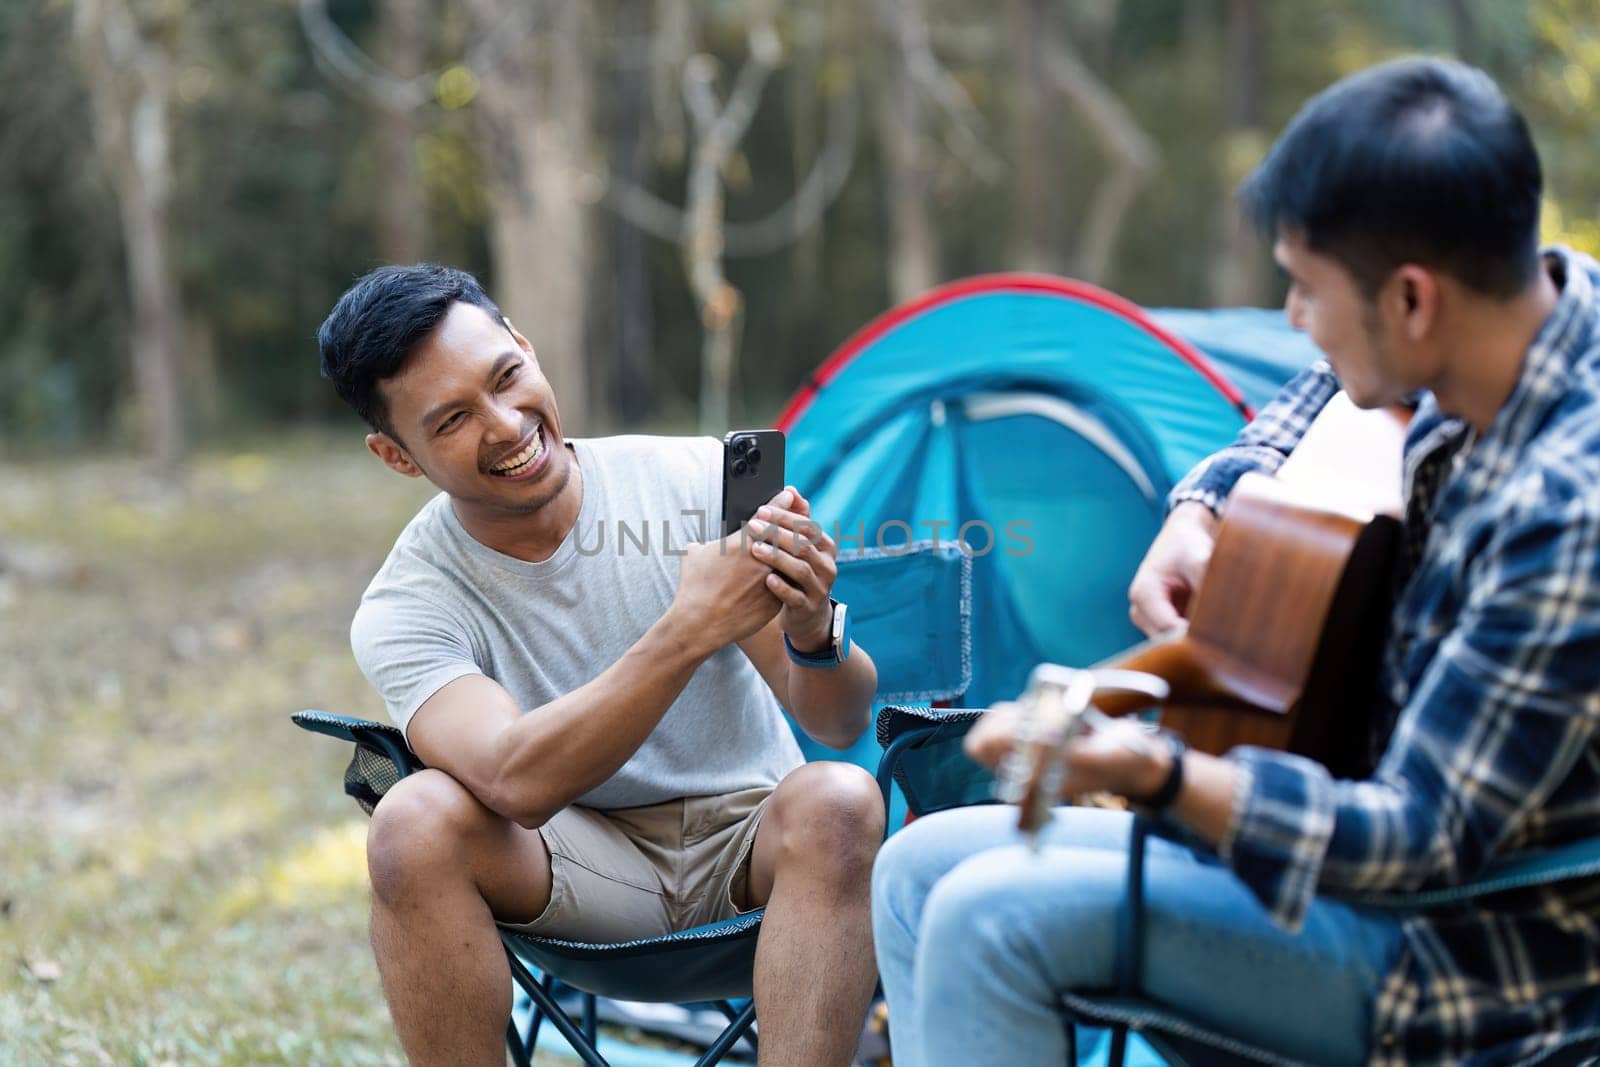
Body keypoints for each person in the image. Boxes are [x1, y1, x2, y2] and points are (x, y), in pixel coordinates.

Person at [871, 57, 1600, 1066]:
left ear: (1412, 302)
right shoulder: (1534, 299)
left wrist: (1157, 771)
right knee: (914, 869)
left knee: (987, 917)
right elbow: (1317, 387)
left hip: (1456, 954)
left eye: (1303, 289)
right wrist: (1206, 497)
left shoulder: (1566, 514)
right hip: (1340, 858)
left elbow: (1412, 839)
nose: (1292, 319)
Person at [317, 265, 883, 1067]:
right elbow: (516, 781)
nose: (507, 425)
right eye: (452, 420)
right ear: (396, 455)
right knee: (411, 822)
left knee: (841, 795)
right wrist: (689, 628)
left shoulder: (692, 481)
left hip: (749, 845)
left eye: (507, 377)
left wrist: (811, 627)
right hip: (573, 864)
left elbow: (837, 717)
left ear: (526, 347)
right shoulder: (407, 604)